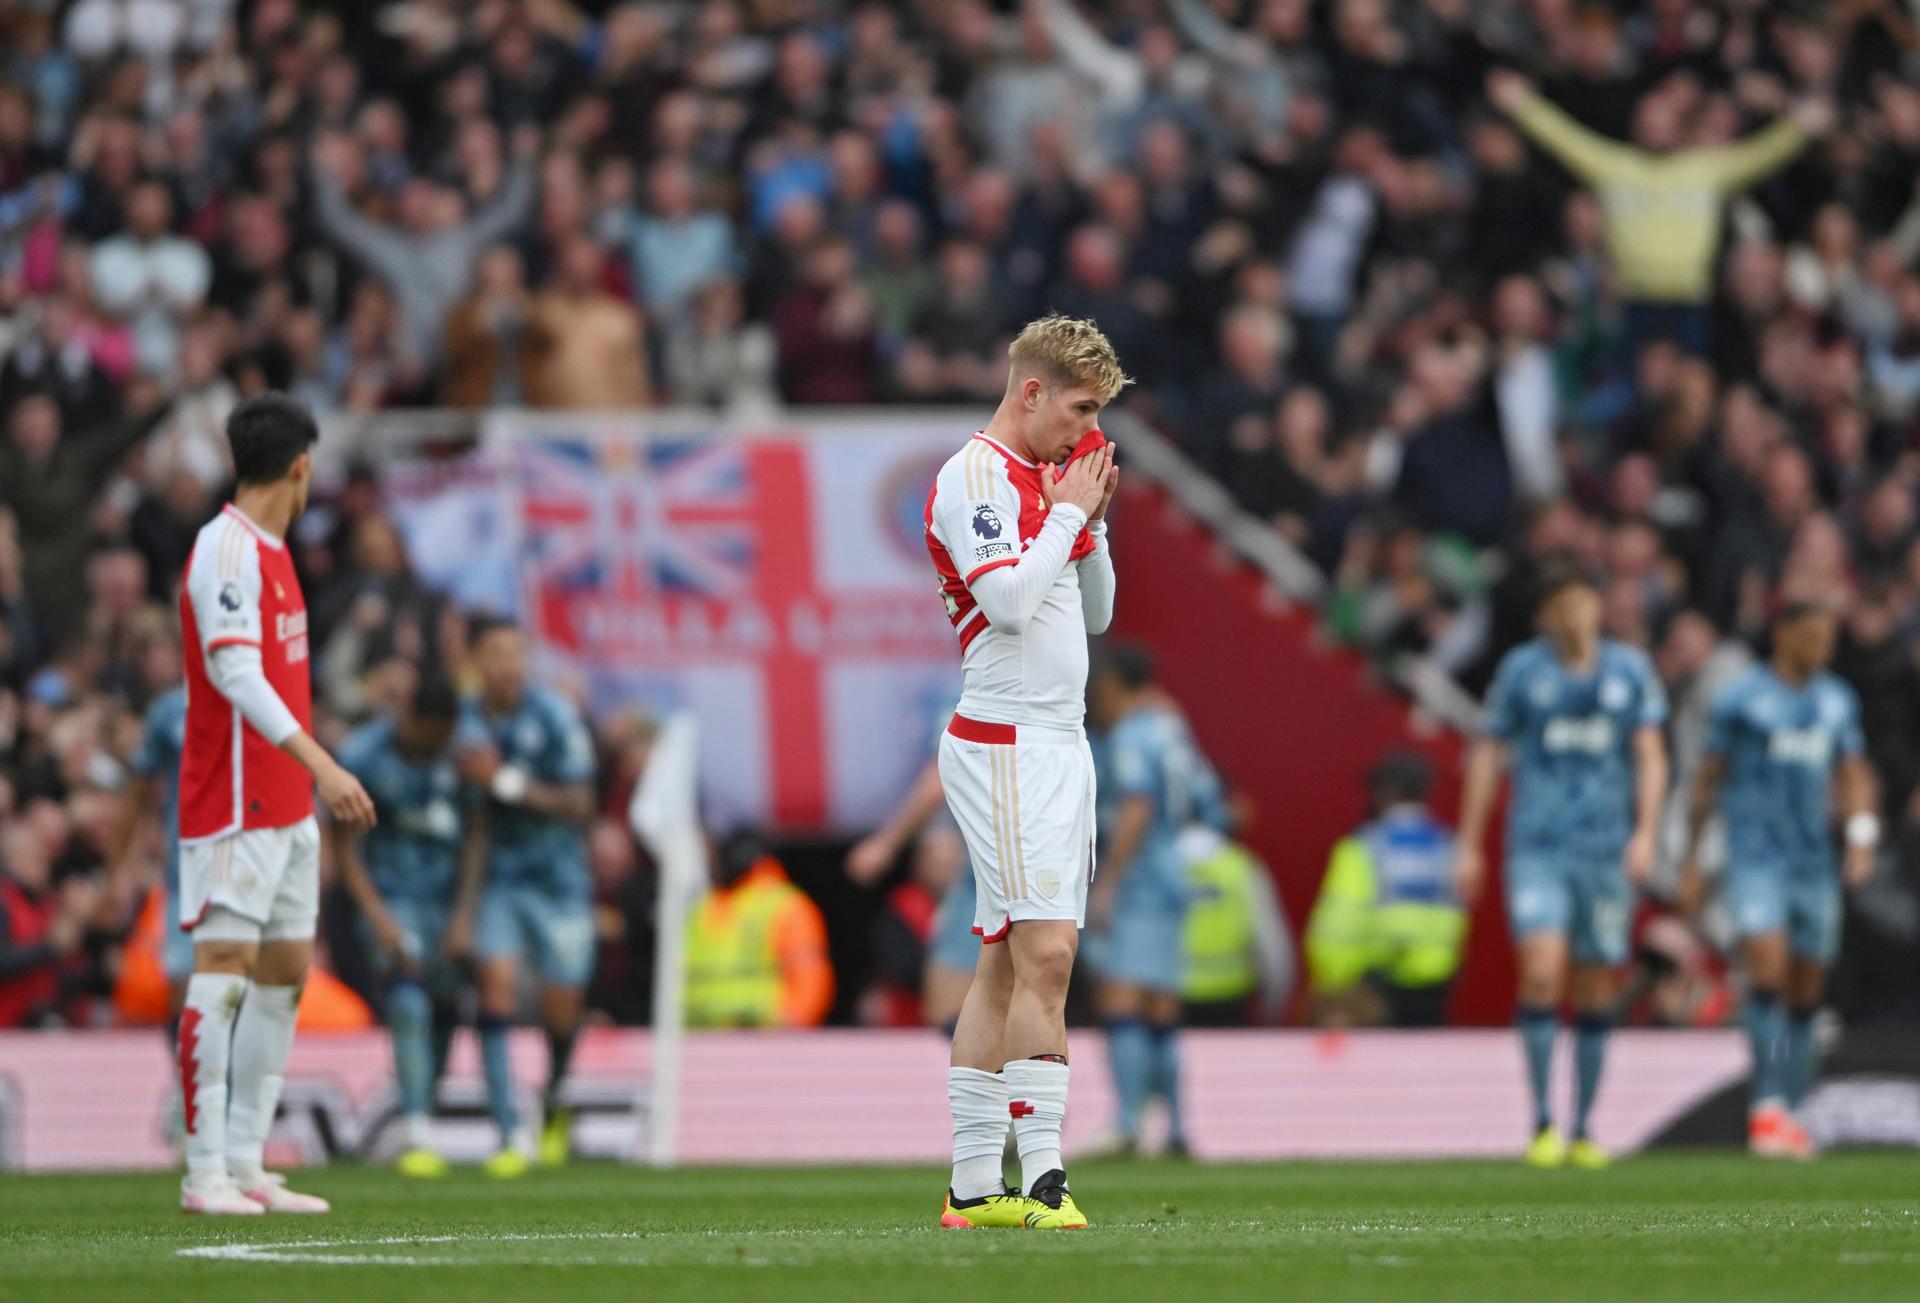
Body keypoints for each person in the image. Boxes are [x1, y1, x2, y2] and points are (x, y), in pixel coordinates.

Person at [924, 314, 1123, 1230]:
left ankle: (972, 1186)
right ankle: (1043, 1178)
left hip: (1057, 742)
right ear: (1031, 390)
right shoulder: (973, 476)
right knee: (1048, 952)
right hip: (1005, 738)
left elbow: (1098, 617)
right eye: (1079, 408)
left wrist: (1092, 528)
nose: (1087, 431)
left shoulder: (1046, 481)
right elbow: (1004, 604)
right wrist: (1068, 513)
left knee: (1006, 965)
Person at [173, 393, 378, 1215]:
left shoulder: (276, 550)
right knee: (222, 973)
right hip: (234, 799)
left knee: (287, 971)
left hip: (288, 804)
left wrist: (309, 782)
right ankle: (203, 1173)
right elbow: (234, 672)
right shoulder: (223, 549)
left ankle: (250, 1162)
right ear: (300, 464)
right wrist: (325, 764)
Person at [1455, 564, 1668, 1171]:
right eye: (1563, 605)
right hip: (1539, 845)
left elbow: (1650, 754)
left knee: (1595, 982)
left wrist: (1647, 832)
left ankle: (1585, 1126)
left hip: (1604, 848)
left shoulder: (1630, 671)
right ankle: (1542, 1119)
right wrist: (1468, 843)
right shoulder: (1523, 671)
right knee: (1542, 973)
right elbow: (1488, 752)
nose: (1575, 616)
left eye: (1584, 602)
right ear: (1545, 615)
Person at [1678, 601, 1879, 1160]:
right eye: (1812, 635)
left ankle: (1792, 1102)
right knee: (1767, 967)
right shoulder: (1741, 701)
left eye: (1828, 638)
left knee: (1807, 985)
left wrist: (1861, 836)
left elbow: (1853, 772)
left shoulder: (1837, 700)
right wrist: (1693, 860)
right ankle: (1767, 1104)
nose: (1822, 648)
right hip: (1755, 857)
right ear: (1784, 635)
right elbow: (1707, 781)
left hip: (1813, 862)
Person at [454, 617, 596, 1173]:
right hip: (500, 881)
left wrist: (506, 783)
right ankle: (509, 1132)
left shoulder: (555, 717)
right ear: (475, 663)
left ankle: (555, 1098)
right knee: (497, 987)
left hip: (559, 882)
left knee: (561, 1011)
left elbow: (582, 803)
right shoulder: (464, 725)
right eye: (495, 653)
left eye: (516, 653)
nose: (507, 664)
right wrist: (463, 910)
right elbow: (473, 824)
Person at [333, 674, 482, 1179]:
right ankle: (418, 1129)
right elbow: (346, 846)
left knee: (446, 1009)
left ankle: (421, 1107)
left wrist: (465, 913)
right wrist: (378, 917)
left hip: (447, 901)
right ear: (410, 717)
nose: (437, 744)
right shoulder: (364, 755)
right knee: (408, 999)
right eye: (431, 733)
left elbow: (477, 835)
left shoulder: (460, 756)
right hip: (393, 897)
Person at [1084, 645, 1229, 1157]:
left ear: (1114, 686)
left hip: (1143, 875)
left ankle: (1127, 1124)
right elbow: (1213, 802)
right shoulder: (1171, 727)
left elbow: (1138, 804)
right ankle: (1177, 1129)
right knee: (1161, 1004)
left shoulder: (1130, 734)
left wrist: (1110, 881)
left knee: (1121, 997)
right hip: (1177, 869)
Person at [1306, 752, 1466, 1028]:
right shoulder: (1449, 847)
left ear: (1383, 792)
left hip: (1374, 988)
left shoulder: (1363, 847)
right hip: (1435, 987)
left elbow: (1338, 922)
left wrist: (1334, 982)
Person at [683, 829, 834, 1029]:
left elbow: (811, 979)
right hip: (697, 1037)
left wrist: (791, 1023)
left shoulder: (785, 905)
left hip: (762, 1039)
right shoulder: (703, 906)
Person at [1179, 826, 1293, 1029]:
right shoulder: (1239, 866)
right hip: (1229, 998)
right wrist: (1273, 1009)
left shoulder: (1154, 865)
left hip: (1166, 997)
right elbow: (1274, 949)